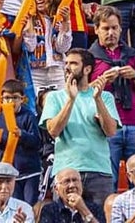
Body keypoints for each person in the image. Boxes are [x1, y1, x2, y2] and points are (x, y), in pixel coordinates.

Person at [40, 49, 118, 211]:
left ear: (87, 69)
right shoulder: (54, 97)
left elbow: (111, 131)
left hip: (99, 171)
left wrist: (97, 99)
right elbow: (53, 131)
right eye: (66, 63)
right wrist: (71, 99)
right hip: (66, 171)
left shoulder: (105, 97)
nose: (67, 67)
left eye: (73, 63)